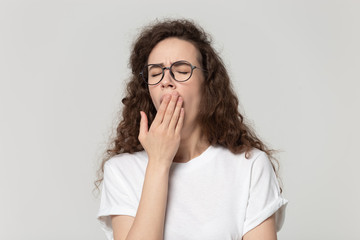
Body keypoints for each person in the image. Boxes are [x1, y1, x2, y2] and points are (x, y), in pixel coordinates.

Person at [94, 18, 288, 240]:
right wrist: (158, 162)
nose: (166, 81)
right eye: (156, 74)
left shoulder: (250, 165)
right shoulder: (121, 171)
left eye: (182, 70)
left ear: (208, 84)